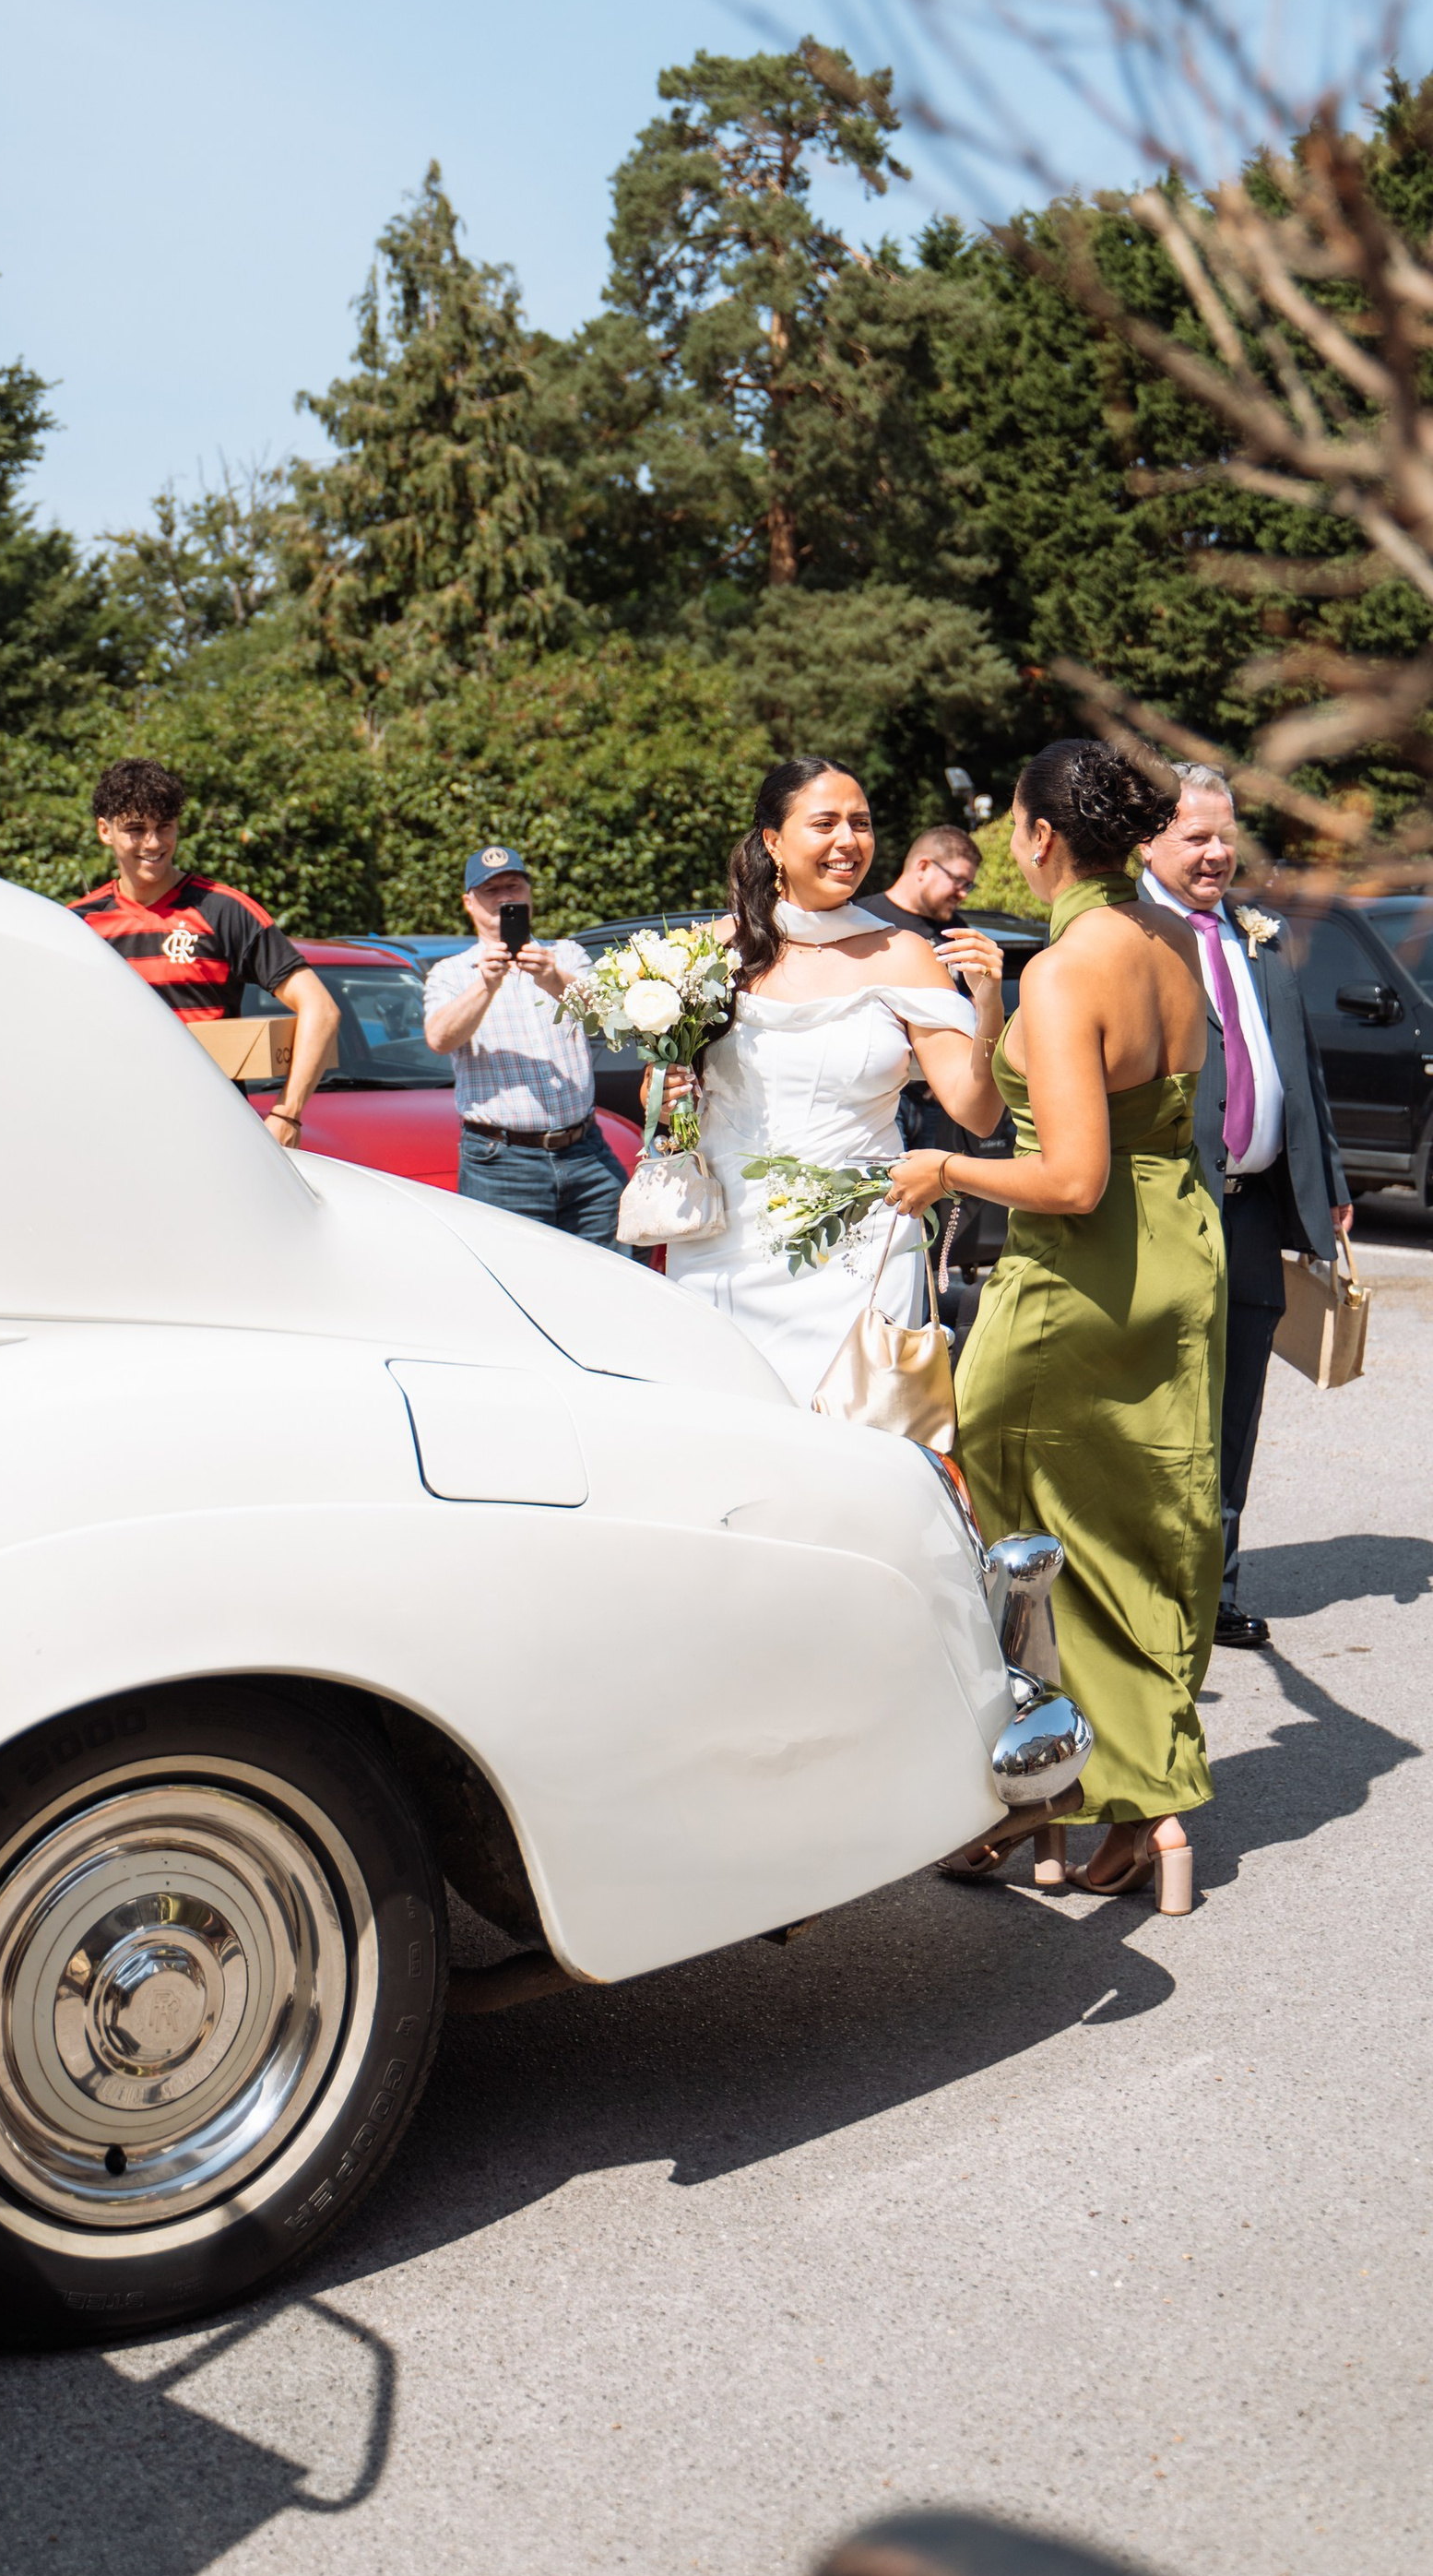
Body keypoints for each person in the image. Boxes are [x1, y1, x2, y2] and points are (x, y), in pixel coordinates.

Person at [886, 741, 1219, 1912]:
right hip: (1176, 1252)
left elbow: (1072, 1177)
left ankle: (1076, 1794)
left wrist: (945, 1166)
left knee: (1026, 1543)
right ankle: (1147, 1818)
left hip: (1077, 1279)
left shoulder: (1069, 969)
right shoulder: (1173, 940)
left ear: (1034, 838)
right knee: (1148, 1525)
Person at [661, 759, 1007, 1397]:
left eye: (862, 823)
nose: (849, 841)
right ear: (773, 841)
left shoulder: (903, 954)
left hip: (860, 1246)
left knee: (859, 1443)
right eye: (825, 823)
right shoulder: (708, 953)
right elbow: (665, 1100)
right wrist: (665, 1097)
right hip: (725, 1242)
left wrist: (989, 1006)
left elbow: (976, 1113)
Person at [1142, 766, 1348, 1651]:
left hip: (1255, 1214)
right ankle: (1147, 1591)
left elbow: (1300, 1070)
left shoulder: (1256, 937)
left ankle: (1213, 1586)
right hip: (1167, 1212)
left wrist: (1329, 1183)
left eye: (1226, 836)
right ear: (1148, 841)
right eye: (1197, 836)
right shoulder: (1130, 937)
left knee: (1235, 1410)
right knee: (1163, 1407)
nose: (1218, 852)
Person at [68, 758, 338, 1149]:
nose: (154, 843)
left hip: (215, 1138)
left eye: (164, 827)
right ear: (104, 831)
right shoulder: (79, 925)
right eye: (136, 830)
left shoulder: (224, 909)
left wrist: (286, 1114)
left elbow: (322, 1009)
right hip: (111, 1136)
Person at [421, 844, 628, 1238]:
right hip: (501, 1163)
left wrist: (553, 979)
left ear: (529, 894)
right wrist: (485, 984)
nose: (504, 898)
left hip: (586, 1151)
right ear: (469, 902)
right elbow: (439, 1038)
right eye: (491, 890)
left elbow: (609, 1017)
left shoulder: (565, 954)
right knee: (513, 1287)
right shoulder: (451, 973)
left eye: (513, 886)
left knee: (606, 1280)